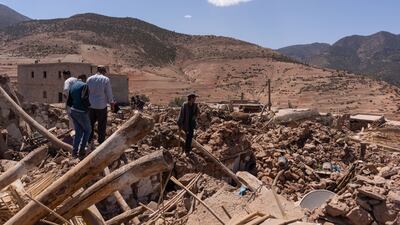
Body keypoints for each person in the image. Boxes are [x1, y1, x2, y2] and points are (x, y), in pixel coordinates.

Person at [87, 66, 115, 148]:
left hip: (91, 105)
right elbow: (109, 93)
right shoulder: (105, 79)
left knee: (90, 124)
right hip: (101, 106)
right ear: (103, 71)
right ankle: (101, 141)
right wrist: (112, 103)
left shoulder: (89, 79)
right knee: (102, 124)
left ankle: (89, 140)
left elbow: (86, 92)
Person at [66, 74, 91, 159]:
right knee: (88, 130)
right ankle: (82, 150)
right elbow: (85, 98)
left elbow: (69, 101)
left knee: (78, 132)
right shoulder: (84, 85)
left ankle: (74, 152)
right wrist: (87, 108)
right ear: (84, 79)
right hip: (81, 111)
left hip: (73, 111)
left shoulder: (72, 86)